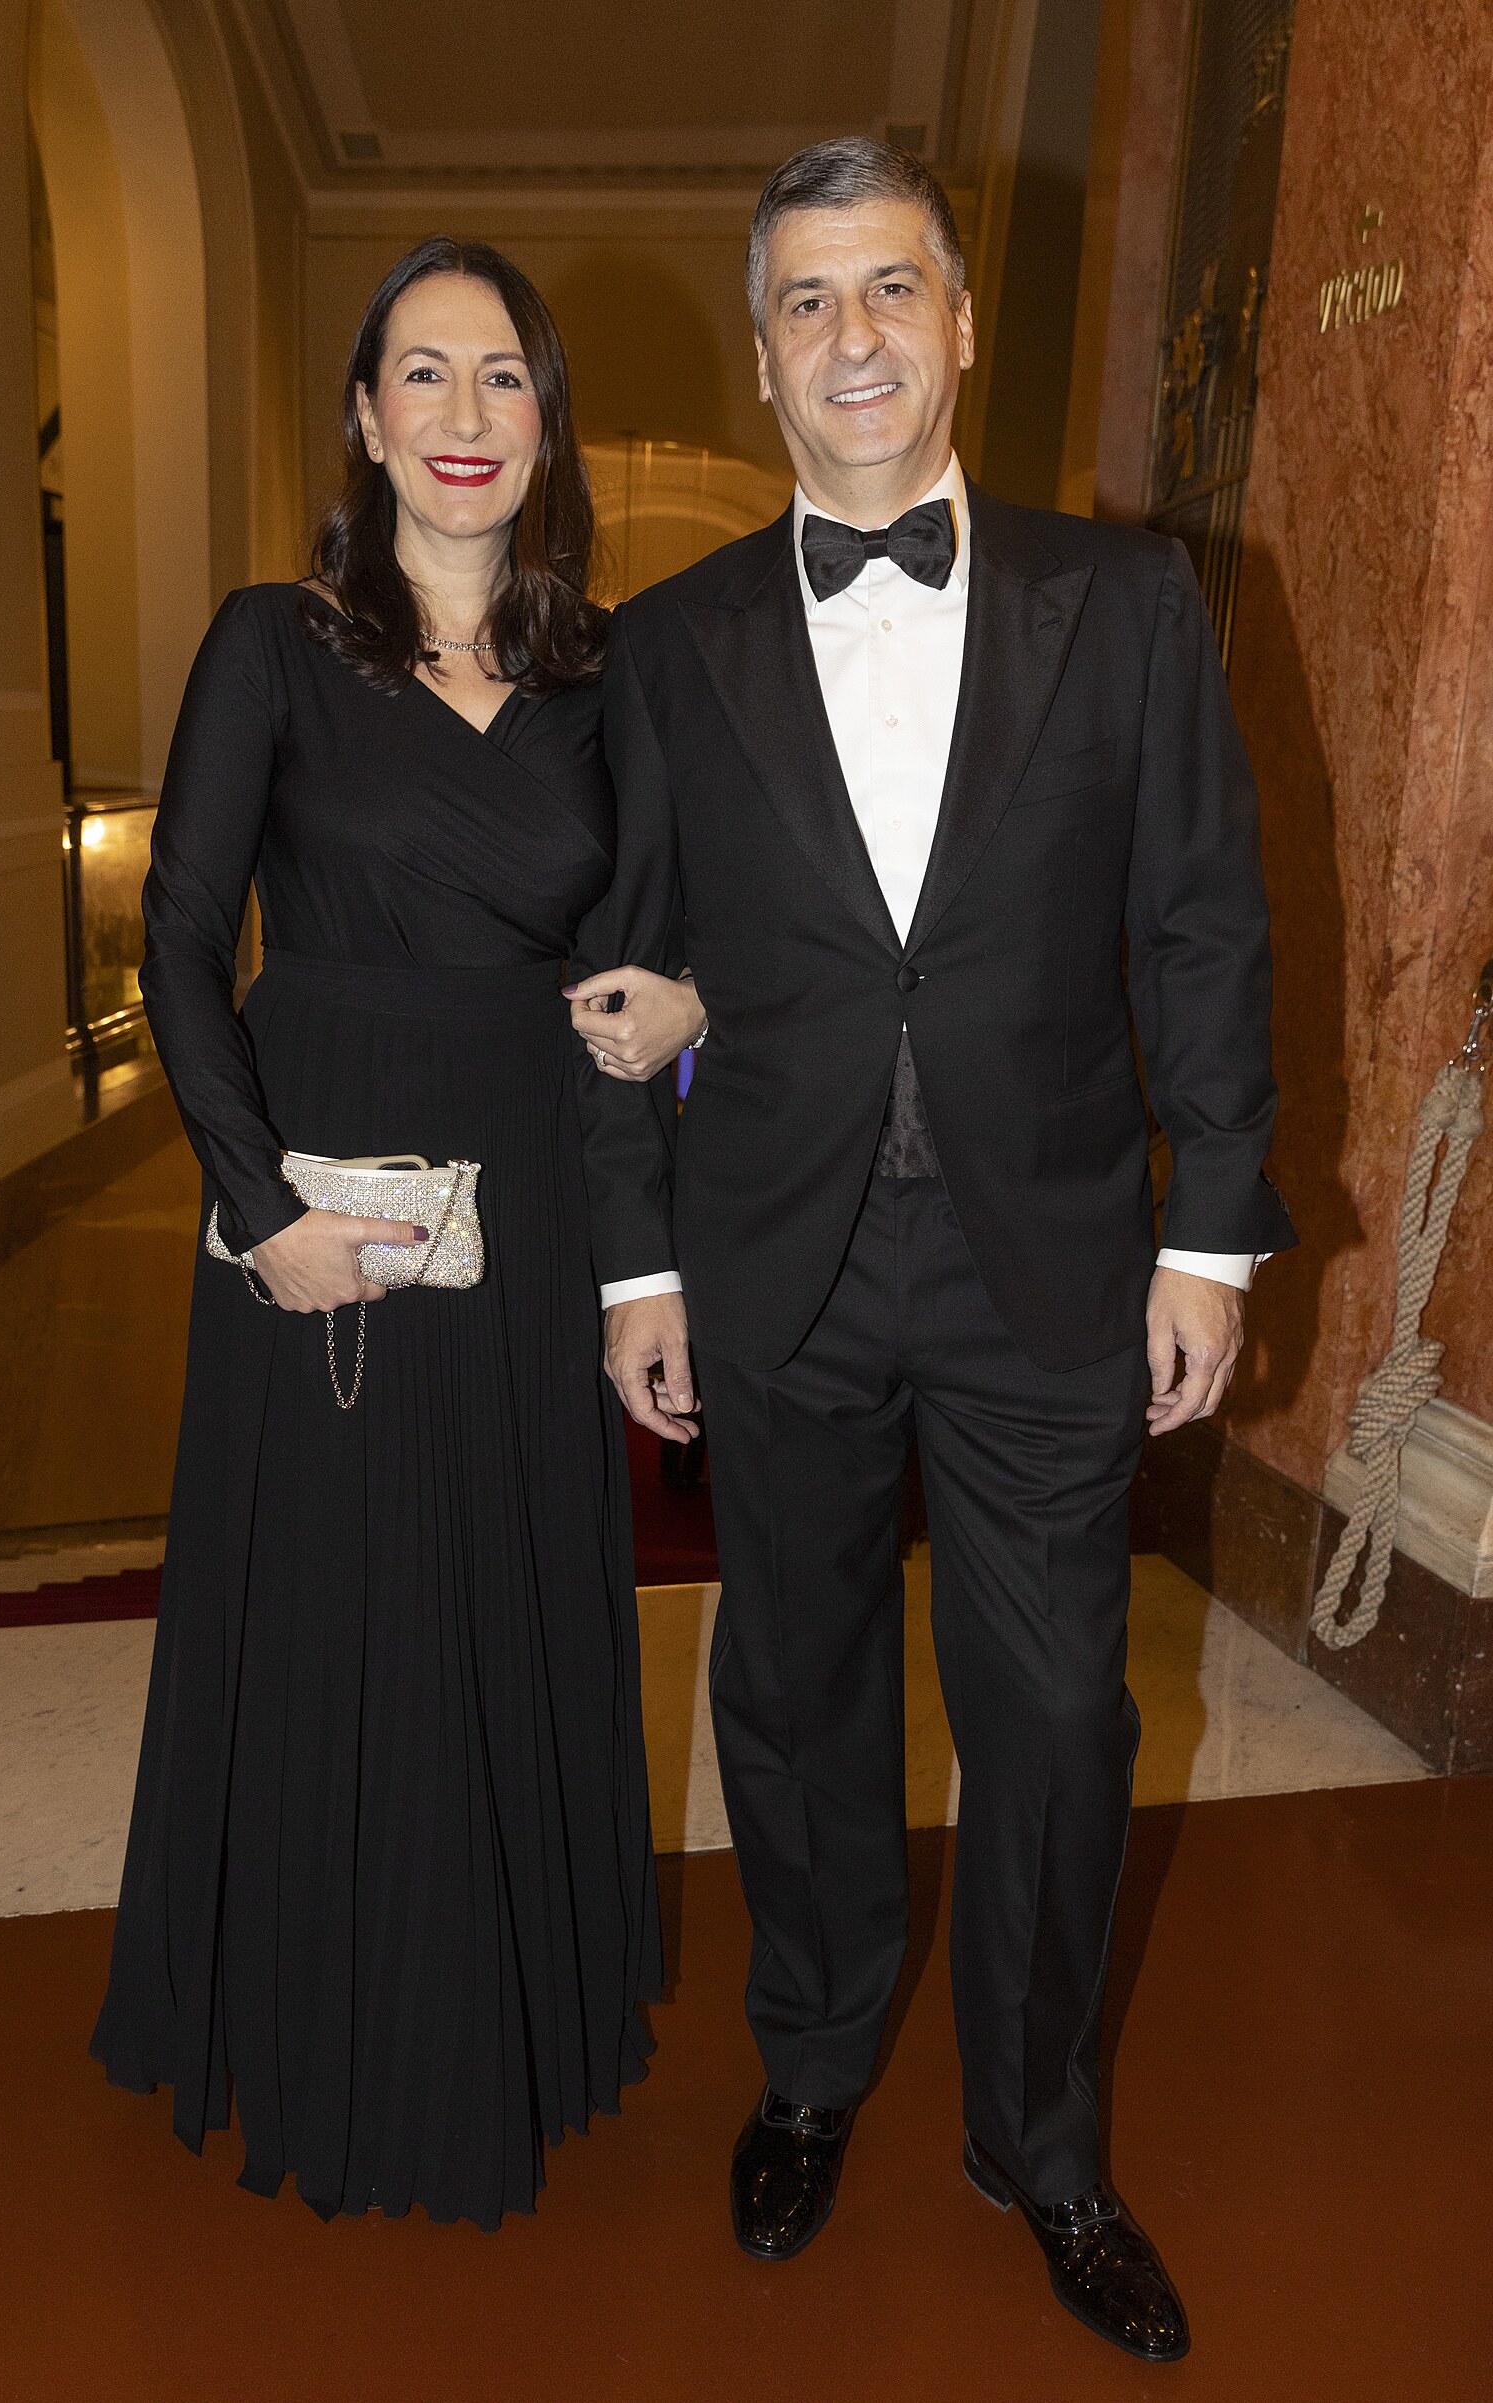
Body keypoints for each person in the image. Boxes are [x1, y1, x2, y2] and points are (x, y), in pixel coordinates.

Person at [569, 139, 1294, 2362]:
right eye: (806, 301)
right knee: (793, 1694)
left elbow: (1200, 924)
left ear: (961, 323)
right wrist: (634, 1268)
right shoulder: (667, 649)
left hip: (1046, 1257)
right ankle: (809, 2063)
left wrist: (1214, 1236)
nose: (853, 336)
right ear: (763, 356)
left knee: (1057, 1713)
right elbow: (622, 970)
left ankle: (1042, 2144)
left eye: (890, 287)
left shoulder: (1129, 603)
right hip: (769, 1256)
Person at [92, 238, 705, 2228]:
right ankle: (327, 2031)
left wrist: (682, 1051)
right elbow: (183, 935)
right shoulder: (275, 644)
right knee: (340, 1607)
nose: (462, 413)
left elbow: (653, 962)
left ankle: (506, 2016)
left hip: (530, 1191)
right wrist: (254, 1204)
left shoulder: (607, 680)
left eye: (501, 375)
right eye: (421, 374)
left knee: (500, 1588)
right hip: (324, 1201)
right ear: (363, 417)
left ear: (546, 421)